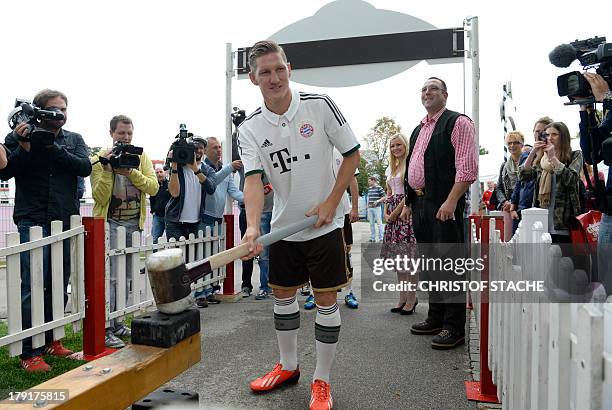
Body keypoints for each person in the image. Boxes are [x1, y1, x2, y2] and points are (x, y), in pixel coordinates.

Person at [239, 40, 360, 410]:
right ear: (253, 77)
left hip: (324, 225)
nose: (274, 78)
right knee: (283, 296)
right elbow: (254, 180)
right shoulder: (249, 128)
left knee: (325, 299)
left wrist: (331, 201)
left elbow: (352, 155)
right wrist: (252, 228)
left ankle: (321, 380)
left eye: (279, 69)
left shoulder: (320, 106)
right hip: (284, 227)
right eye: (265, 72)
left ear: (289, 68)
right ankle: (288, 366)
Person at [1, 89, 92, 371]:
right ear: (40, 111)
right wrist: (23, 144)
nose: (60, 114)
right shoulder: (21, 135)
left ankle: (54, 340)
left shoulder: (74, 139)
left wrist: (51, 147)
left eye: (64, 109)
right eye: (54, 109)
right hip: (31, 220)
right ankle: (30, 352)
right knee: (33, 286)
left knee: (57, 282)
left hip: (64, 220)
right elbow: (6, 172)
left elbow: (84, 167)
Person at [401, 77, 477, 350]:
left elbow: (467, 169)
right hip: (421, 205)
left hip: (444, 203)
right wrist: (410, 203)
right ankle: (435, 317)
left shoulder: (458, 122)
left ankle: (454, 327)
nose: (427, 92)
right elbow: (413, 167)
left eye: (433, 88)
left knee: (449, 265)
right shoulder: (418, 129)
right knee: (431, 265)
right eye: (423, 89)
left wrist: (451, 200)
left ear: (445, 94)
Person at [90, 115, 158, 348]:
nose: (126, 137)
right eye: (121, 133)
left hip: (133, 227)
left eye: (129, 133)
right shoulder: (100, 159)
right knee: (110, 279)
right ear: (111, 133)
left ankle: (118, 323)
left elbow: (153, 187)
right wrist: (109, 170)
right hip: (108, 225)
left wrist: (131, 173)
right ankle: (106, 328)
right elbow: (99, 196)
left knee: (127, 278)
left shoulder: (141, 157)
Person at [194, 136, 243, 306]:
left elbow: (234, 192)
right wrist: (230, 167)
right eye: (215, 148)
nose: (219, 150)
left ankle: (209, 290)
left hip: (217, 219)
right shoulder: (203, 168)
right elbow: (213, 182)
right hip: (204, 217)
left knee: (214, 256)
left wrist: (252, 198)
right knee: (201, 256)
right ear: (205, 151)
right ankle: (199, 292)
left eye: (219, 147)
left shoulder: (224, 170)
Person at [519, 121, 583, 243]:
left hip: (563, 222)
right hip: (541, 222)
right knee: (544, 260)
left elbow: (571, 180)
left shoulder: (574, 155)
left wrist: (553, 158)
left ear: (563, 136)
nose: (550, 138)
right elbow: (524, 176)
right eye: (547, 135)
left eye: (555, 134)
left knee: (564, 260)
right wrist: (533, 152)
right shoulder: (542, 160)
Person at [578, 73, 612, 294]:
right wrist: (586, 112)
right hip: (610, 208)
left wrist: (608, 98)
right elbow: (592, 154)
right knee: (607, 275)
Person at [382, 134, 418, 315]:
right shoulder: (391, 167)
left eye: (399, 145)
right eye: (392, 146)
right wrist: (386, 212)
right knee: (399, 262)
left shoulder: (410, 164)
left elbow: (410, 193)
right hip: (393, 217)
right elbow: (389, 192)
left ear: (405, 145)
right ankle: (402, 298)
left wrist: (395, 213)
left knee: (409, 261)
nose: (395, 148)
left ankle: (412, 299)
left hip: (405, 214)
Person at [164, 138, 216, 243]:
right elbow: (174, 193)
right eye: (195, 148)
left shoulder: (208, 170)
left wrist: (195, 169)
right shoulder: (179, 168)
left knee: (193, 257)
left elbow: (211, 189)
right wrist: (174, 164)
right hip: (175, 222)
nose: (198, 150)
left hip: (196, 223)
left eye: (201, 148)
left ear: (204, 150)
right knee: (176, 257)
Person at [510, 117, 552, 232]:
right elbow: (520, 179)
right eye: (537, 131)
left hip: (542, 207)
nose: (540, 135)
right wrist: (513, 204)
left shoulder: (554, 154)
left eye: (544, 132)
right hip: (523, 205)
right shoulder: (526, 155)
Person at [493, 131, 525, 212]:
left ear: (522, 144)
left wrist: (513, 202)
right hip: (508, 208)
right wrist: (505, 202)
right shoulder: (504, 166)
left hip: (524, 205)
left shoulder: (528, 162)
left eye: (516, 142)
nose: (512, 145)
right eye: (509, 143)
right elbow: (498, 188)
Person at [150, 167, 170, 243]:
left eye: (161, 172)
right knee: (154, 239)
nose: (159, 174)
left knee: (170, 239)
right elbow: (152, 198)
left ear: (165, 173)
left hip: (169, 217)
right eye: (157, 173)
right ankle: (154, 254)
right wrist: (153, 211)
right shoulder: (154, 186)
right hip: (157, 217)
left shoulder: (170, 184)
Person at [366, 176, 385, 242]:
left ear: (374, 181)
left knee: (379, 223)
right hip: (370, 208)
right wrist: (367, 206)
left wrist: (377, 201)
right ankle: (372, 238)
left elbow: (384, 197)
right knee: (371, 223)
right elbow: (369, 198)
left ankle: (381, 238)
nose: (368, 182)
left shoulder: (379, 188)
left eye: (369, 181)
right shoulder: (369, 188)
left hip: (377, 208)